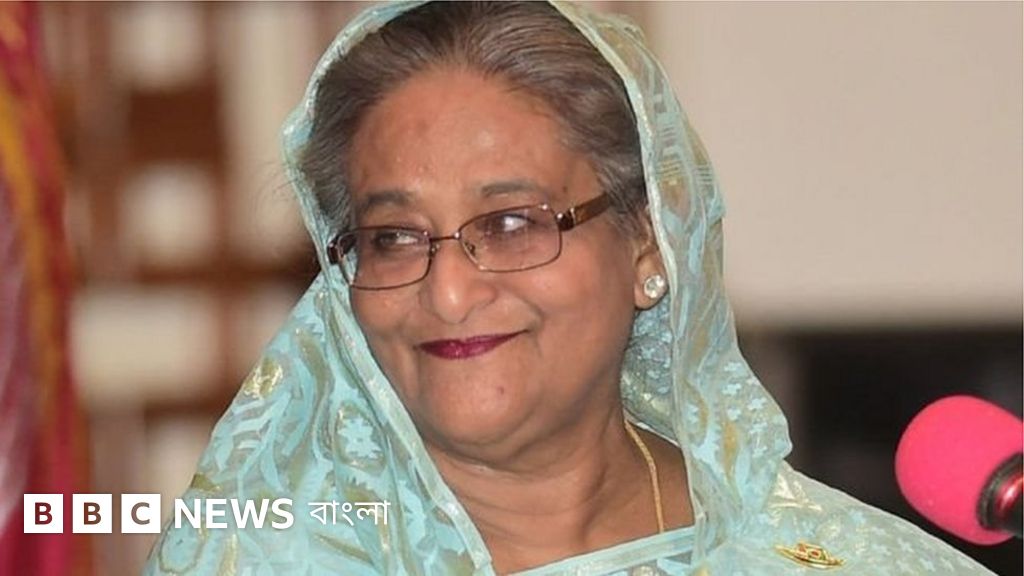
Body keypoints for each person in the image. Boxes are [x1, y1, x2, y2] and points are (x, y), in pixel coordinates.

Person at [145, 2, 995, 574]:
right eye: (393, 238)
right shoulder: (267, 558)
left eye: (512, 222)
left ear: (647, 245)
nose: (449, 293)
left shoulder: (828, 558)